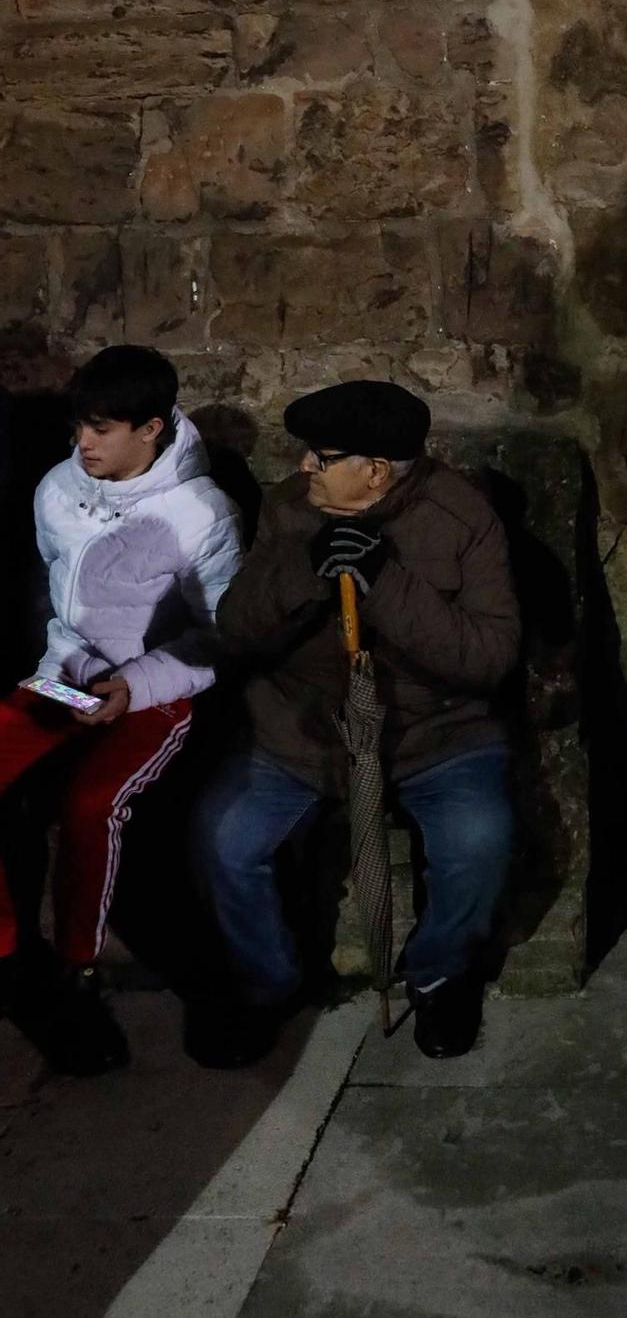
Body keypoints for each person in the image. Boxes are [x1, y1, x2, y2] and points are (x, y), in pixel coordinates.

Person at [191, 380, 521, 1067]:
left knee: (480, 839)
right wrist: (303, 571)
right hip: (303, 730)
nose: (305, 466)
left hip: (433, 733)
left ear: (374, 470)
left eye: (322, 455)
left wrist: (386, 580)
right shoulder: (290, 508)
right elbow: (237, 629)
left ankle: (437, 973)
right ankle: (269, 982)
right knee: (226, 839)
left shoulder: (463, 519)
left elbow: (487, 658)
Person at [0, 345, 243, 1074]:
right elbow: (53, 597)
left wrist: (135, 685)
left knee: (90, 805)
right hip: (64, 678)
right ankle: (13, 957)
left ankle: (79, 968)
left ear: (153, 428)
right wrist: (60, 672)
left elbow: (222, 634)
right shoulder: (57, 488)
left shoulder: (200, 513)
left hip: (147, 692)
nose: (85, 443)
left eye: (103, 429)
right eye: (80, 426)